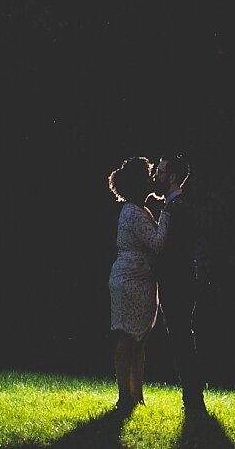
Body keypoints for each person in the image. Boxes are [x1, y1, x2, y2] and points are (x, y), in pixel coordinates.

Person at [149, 155, 206, 414]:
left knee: (181, 337)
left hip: (177, 282)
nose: (155, 176)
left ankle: (193, 398)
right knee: (183, 336)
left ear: (172, 177)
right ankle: (193, 396)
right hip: (183, 280)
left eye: (159, 172)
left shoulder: (176, 209)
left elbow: (168, 248)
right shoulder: (181, 206)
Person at [106, 156, 162, 409]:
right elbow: (158, 243)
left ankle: (135, 396)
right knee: (128, 339)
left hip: (136, 279)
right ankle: (124, 397)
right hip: (131, 280)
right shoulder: (134, 213)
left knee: (137, 340)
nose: (153, 178)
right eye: (150, 174)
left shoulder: (138, 210)